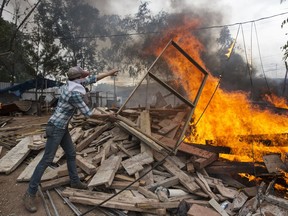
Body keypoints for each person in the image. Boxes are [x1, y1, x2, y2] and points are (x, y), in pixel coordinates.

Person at [23, 66, 118, 213]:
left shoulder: (72, 83)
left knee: (71, 154)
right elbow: (88, 114)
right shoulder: (74, 93)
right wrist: (108, 116)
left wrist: (111, 73)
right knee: (47, 160)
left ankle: (75, 182)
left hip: (62, 127)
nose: (86, 79)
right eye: (83, 77)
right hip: (56, 128)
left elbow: (94, 78)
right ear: (78, 78)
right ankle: (29, 193)